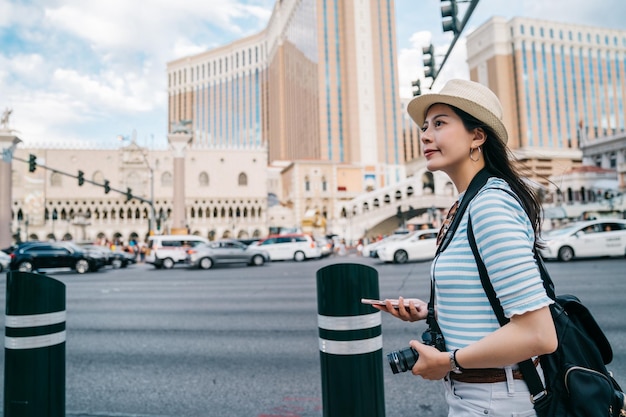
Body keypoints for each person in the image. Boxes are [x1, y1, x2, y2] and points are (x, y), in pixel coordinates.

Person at [373, 79, 557, 416]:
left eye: (440, 123)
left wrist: (447, 361)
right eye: (425, 126)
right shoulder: (465, 205)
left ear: (477, 135)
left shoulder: (489, 205)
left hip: (498, 400)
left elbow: (538, 334)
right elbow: (492, 304)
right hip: (476, 397)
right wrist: (432, 312)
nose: (425, 135)